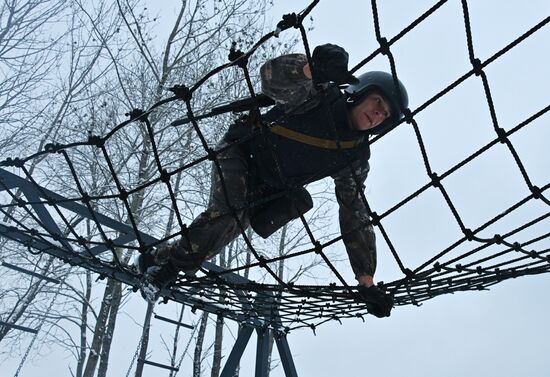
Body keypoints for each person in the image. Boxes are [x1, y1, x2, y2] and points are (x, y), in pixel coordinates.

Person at [138, 44, 408, 317]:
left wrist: (366, 280)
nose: (378, 114)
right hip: (243, 151)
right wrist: (310, 69)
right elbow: (271, 79)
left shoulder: (355, 157)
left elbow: (354, 211)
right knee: (230, 213)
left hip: (273, 184)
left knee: (232, 226)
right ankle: (164, 272)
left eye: (385, 114)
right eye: (378, 102)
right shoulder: (321, 97)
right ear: (361, 92)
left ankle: (158, 256)